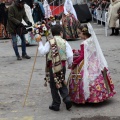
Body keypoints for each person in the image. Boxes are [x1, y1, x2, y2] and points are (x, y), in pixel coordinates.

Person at [68, 23, 116, 104]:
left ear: (84, 33)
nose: (78, 35)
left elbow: (82, 56)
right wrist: (78, 52)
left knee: (84, 78)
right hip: (95, 62)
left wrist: (74, 63)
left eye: (79, 33)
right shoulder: (93, 40)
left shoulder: (84, 43)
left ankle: (86, 97)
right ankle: (100, 95)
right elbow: (90, 51)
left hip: (87, 63)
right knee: (97, 76)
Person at [36, 25, 73, 111]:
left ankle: (56, 104)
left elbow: (43, 51)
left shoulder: (50, 42)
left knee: (53, 85)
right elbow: (70, 55)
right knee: (62, 81)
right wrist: (70, 64)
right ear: (61, 33)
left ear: (52, 34)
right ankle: (67, 98)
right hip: (62, 66)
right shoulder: (64, 42)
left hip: (52, 67)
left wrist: (40, 42)